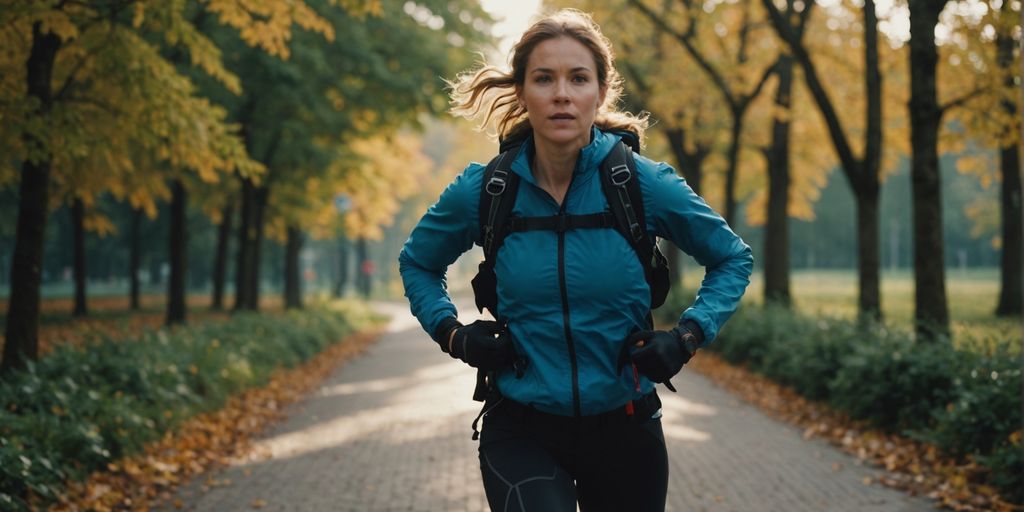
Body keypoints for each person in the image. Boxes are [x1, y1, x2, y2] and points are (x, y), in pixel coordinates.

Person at [398, 8, 752, 512]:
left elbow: (732, 258)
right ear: (523, 92)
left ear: (600, 92)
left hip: (626, 425)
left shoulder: (641, 184)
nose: (561, 93)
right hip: (521, 426)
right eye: (544, 78)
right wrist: (452, 333)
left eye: (578, 78)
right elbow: (418, 262)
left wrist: (689, 335)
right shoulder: (486, 190)